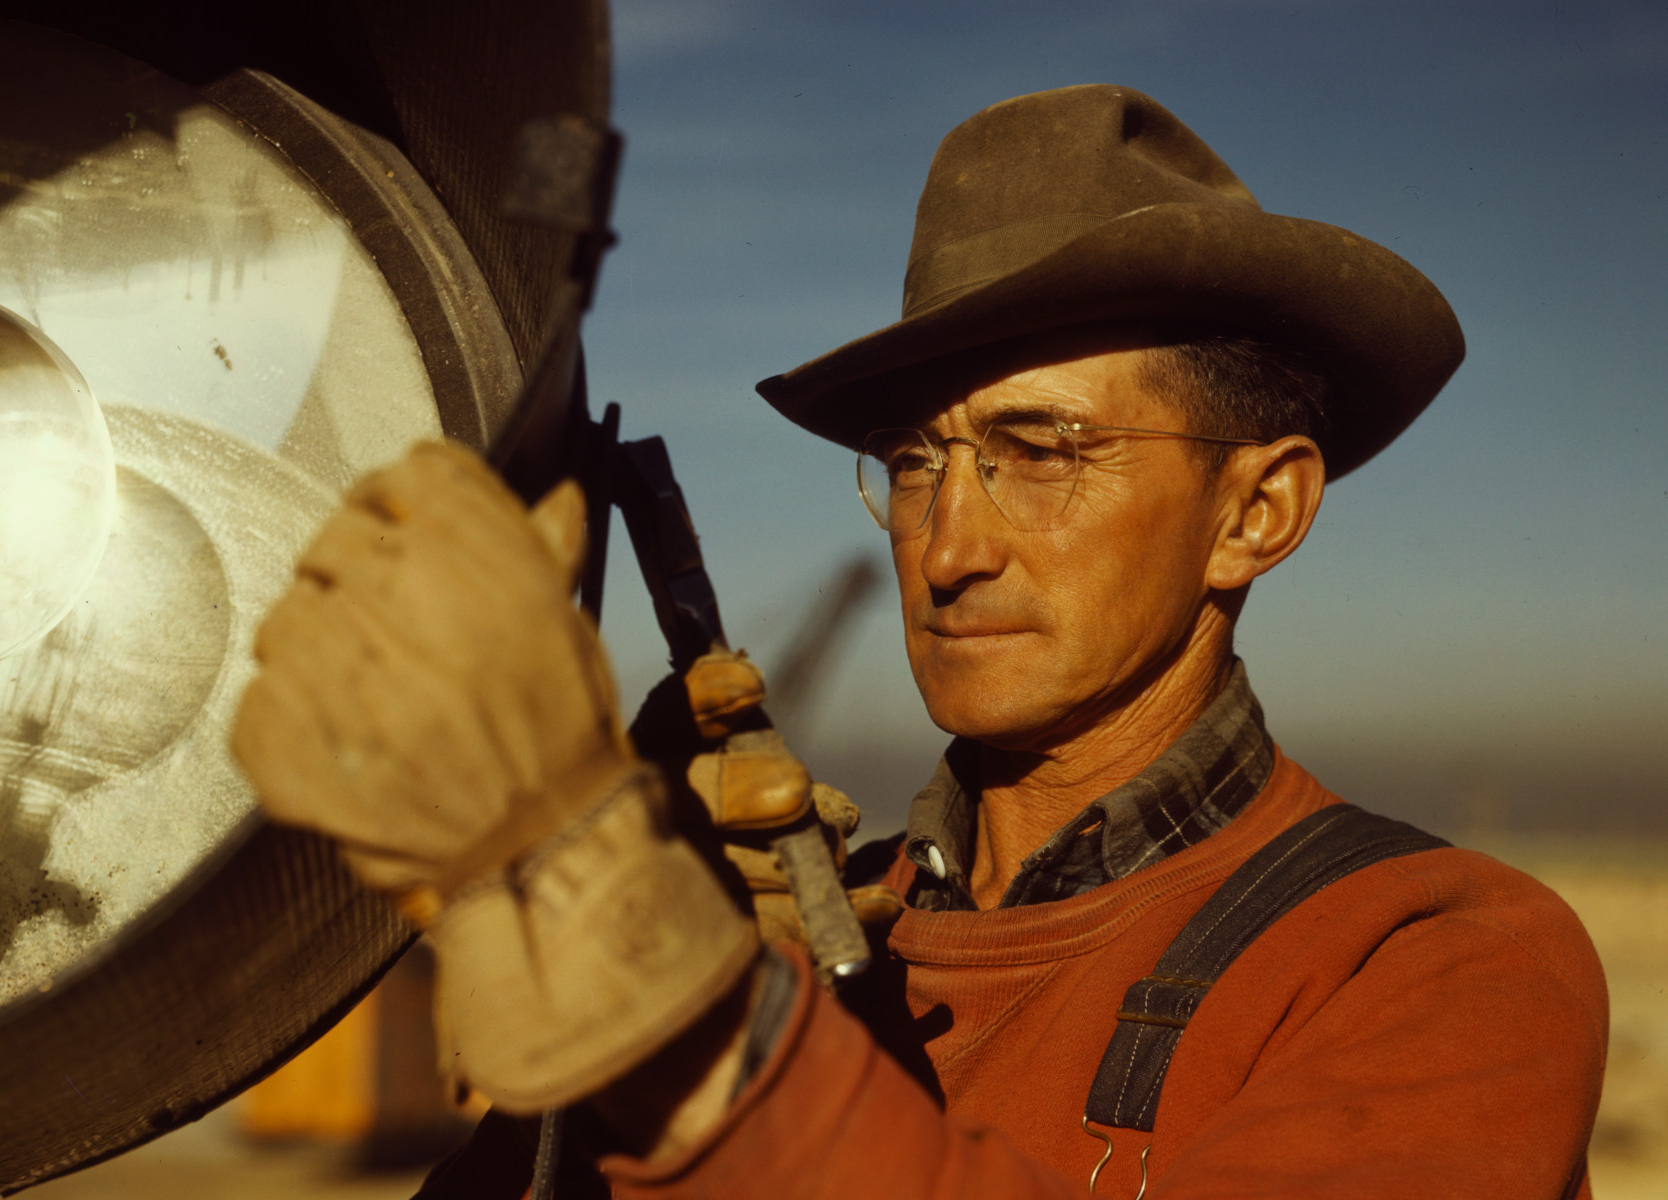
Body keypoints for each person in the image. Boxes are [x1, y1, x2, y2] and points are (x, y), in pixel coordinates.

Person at [234, 85, 1606, 1198]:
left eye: (1039, 450)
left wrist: (674, 1017)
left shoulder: (1438, 965)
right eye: (913, 463)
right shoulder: (791, 925)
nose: (946, 548)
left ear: (1257, 509)